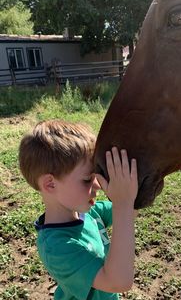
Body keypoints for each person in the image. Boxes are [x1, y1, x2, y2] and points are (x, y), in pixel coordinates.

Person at [18, 119, 138, 300]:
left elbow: (131, 210)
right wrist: (123, 203)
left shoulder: (90, 211)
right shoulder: (57, 247)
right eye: (87, 179)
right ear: (50, 184)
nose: (97, 185)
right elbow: (117, 282)